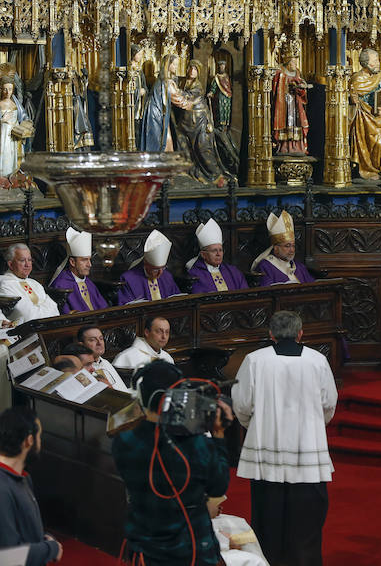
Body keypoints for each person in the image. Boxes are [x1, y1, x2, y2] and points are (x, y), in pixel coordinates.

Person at [233, 310, 337, 566]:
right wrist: (313, 427)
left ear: (271, 334)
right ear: (301, 333)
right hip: (307, 452)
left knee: (267, 518)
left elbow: (242, 404)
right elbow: (328, 404)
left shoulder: (254, 360)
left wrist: (255, 426)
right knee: (307, 522)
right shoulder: (317, 361)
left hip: (266, 452)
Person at [112, 359, 231, 566]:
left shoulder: (123, 441)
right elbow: (218, 486)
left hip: (146, 545)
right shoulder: (196, 443)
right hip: (190, 546)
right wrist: (218, 435)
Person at [0, 407, 63, 565]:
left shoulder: (22, 478)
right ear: (29, 440)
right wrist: (51, 549)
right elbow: (8, 558)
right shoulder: (2, 490)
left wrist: (44, 540)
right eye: (39, 436)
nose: (40, 442)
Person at [172, 60, 236, 186]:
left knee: (203, 147)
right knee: (181, 143)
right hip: (185, 122)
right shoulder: (182, 82)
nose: (192, 71)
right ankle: (186, 171)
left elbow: (188, 95)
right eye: (190, 68)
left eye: (195, 69)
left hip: (199, 121)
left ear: (198, 72)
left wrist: (173, 89)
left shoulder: (197, 85)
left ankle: (215, 175)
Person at [49, 227, 109, 314]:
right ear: (72, 262)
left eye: (89, 260)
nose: (89, 264)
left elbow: (104, 308)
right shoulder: (60, 285)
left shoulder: (88, 282)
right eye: (84, 260)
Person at [349, 48, 381, 180]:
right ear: (367, 63)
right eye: (375, 60)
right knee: (365, 144)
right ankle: (368, 170)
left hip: (375, 118)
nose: (378, 63)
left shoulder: (378, 78)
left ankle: (378, 168)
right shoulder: (356, 79)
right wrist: (352, 101)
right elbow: (347, 101)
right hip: (361, 119)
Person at [251, 210, 315, 286]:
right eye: (287, 246)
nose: (292, 250)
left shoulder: (299, 266)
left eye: (293, 246)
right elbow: (265, 290)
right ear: (276, 248)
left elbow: (313, 286)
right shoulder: (265, 266)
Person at [0, 243, 58, 324]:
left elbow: (55, 311)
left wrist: (39, 312)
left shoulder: (34, 283)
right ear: (10, 264)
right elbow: (27, 316)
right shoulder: (5, 283)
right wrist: (45, 310)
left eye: (29, 260)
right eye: (22, 260)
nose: (27, 265)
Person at [118, 230, 181, 304]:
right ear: (145, 263)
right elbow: (125, 306)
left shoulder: (167, 276)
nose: (160, 273)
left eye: (163, 268)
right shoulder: (128, 279)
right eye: (155, 269)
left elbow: (178, 301)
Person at [187, 218, 249, 293]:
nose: (218, 254)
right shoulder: (195, 275)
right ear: (203, 255)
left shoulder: (233, 271)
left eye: (220, 250)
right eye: (214, 251)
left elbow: (246, 293)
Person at [271, 45, 311, 156]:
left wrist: (301, 87)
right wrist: (288, 84)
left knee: (297, 122)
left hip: (295, 102)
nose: (295, 64)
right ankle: (284, 146)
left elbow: (301, 84)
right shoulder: (280, 72)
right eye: (293, 62)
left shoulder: (297, 72)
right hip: (283, 103)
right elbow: (275, 87)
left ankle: (297, 147)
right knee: (285, 123)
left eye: (296, 62)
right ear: (288, 62)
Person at [141, 54, 177, 153]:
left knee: (164, 139)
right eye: (174, 64)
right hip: (155, 113)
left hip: (157, 112)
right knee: (157, 141)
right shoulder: (165, 81)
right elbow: (177, 98)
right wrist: (191, 103)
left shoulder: (166, 80)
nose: (176, 67)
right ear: (168, 65)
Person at [77, 324, 127, 392]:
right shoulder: (81, 369)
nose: (99, 343)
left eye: (101, 338)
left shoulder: (105, 362)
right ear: (81, 345)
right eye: (92, 340)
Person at [0, 75, 31, 178]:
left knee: (14, 155)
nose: (7, 92)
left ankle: (13, 174)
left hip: (14, 134)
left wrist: (25, 124)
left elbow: (23, 115)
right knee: (5, 154)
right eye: (5, 89)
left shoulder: (14, 102)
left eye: (10, 89)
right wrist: (2, 120)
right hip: (3, 134)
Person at [128, 48, 147, 149]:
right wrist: (137, 92)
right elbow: (126, 89)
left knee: (138, 131)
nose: (140, 56)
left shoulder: (139, 71)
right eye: (138, 54)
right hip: (132, 105)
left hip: (140, 106)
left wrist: (144, 91)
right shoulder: (129, 69)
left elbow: (144, 86)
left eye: (141, 54)